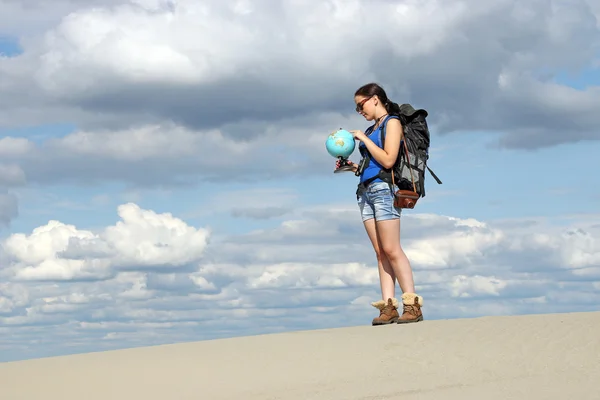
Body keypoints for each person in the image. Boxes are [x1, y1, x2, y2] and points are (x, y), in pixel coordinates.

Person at [336, 82, 424, 325]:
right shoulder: (373, 128)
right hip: (365, 191)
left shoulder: (391, 123)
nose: (359, 111)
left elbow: (388, 160)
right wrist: (354, 167)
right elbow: (372, 165)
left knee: (392, 249)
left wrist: (363, 137)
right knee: (380, 252)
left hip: (384, 190)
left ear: (375, 99)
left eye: (360, 105)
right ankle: (388, 307)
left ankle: (412, 304)